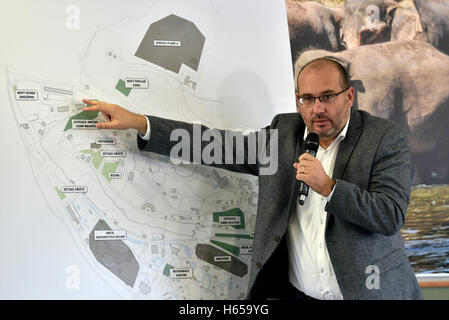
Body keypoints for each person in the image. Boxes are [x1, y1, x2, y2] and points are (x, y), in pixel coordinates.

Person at [83, 54, 422, 300]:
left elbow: (389, 215)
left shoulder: (384, 138)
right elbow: (214, 145)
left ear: (349, 96)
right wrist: (142, 123)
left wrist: (329, 187)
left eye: (327, 97)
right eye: (307, 99)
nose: (317, 108)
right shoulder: (284, 133)